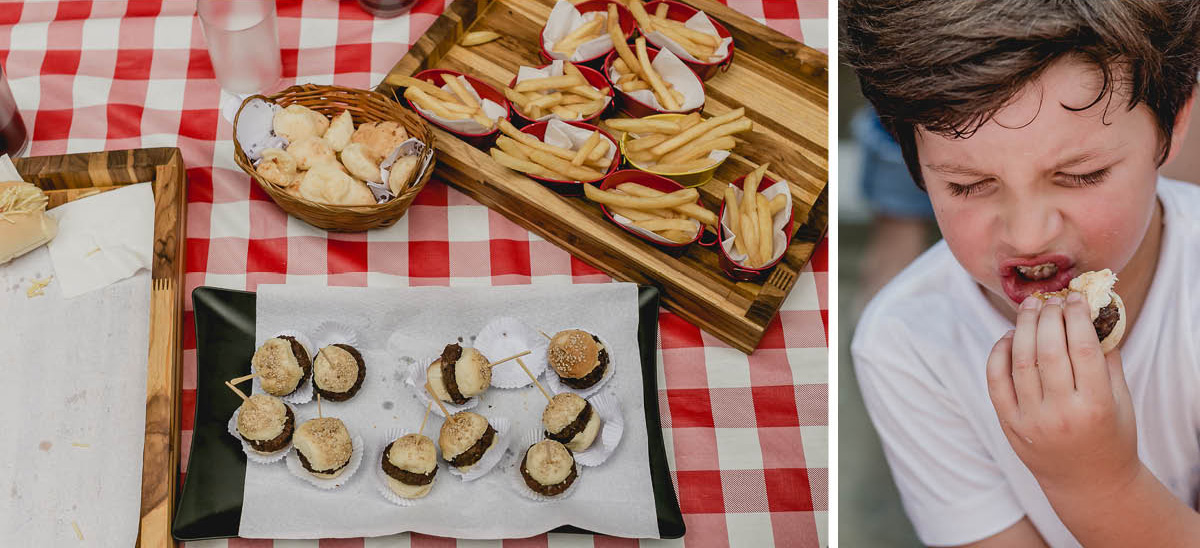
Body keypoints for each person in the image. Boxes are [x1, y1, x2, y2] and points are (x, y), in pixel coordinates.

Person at [842, 1, 1200, 546]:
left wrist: (1098, 485)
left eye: (1082, 175)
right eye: (967, 185)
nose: (1029, 235)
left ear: (1170, 126)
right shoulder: (905, 344)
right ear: (913, 163)